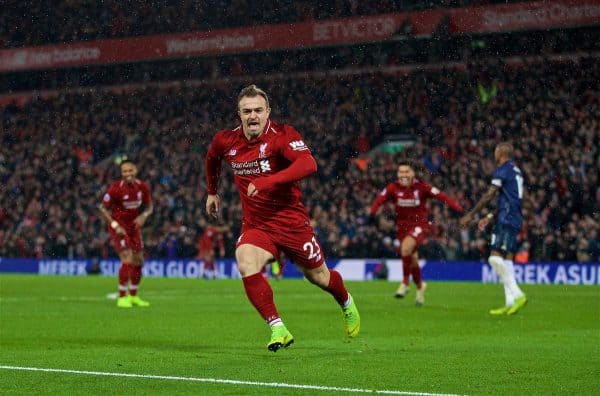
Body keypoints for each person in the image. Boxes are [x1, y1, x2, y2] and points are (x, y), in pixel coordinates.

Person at [205, 84, 360, 352]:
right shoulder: (226, 141)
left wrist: (268, 182)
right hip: (257, 225)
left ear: (268, 112)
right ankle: (277, 327)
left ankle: (346, 301)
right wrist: (211, 192)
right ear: (238, 114)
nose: (253, 116)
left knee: (319, 277)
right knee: (245, 260)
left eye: (258, 110)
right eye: (247, 111)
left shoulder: (282, 136)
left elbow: (308, 164)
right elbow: (212, 158)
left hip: (291, 223)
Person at [369, 160, 463, 306]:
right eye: (401, 172)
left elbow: (441, 196)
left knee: (405, 248)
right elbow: (379, 200)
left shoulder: (422, 187)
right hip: (402, 228)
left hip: (420, 226)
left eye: (407, 172)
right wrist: (372, 213)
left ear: (413, 173)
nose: (403, 175)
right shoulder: (393, 188)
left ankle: (405, 283)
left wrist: (457, 209)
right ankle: (420, 287)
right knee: (412, 258)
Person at [460, 142, 527, 315]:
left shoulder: (502, 170)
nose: (494, 154)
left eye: (495, 151)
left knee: (495, 258)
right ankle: (510, 302)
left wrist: (471, 214)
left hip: (506, 218)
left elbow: (490, 194)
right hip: (513, 216)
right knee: (507, 260)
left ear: (500, 153)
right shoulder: (516, 171)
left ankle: (518, 295)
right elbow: (509, 199)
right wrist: (489, 216)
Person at [99, 159, 153, 308]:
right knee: (127, 258)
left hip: (134, 227)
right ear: (121, 173)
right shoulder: (115, 188)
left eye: (130, 170)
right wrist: (115, 225)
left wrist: (143, 216)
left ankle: (133, 295)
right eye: (124, 171)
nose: (127, 173)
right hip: (119, 228)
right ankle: (122, 297)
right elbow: (102, 208)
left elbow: (150, 206)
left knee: (139, 260)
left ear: (135, 170)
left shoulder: (142, 187)